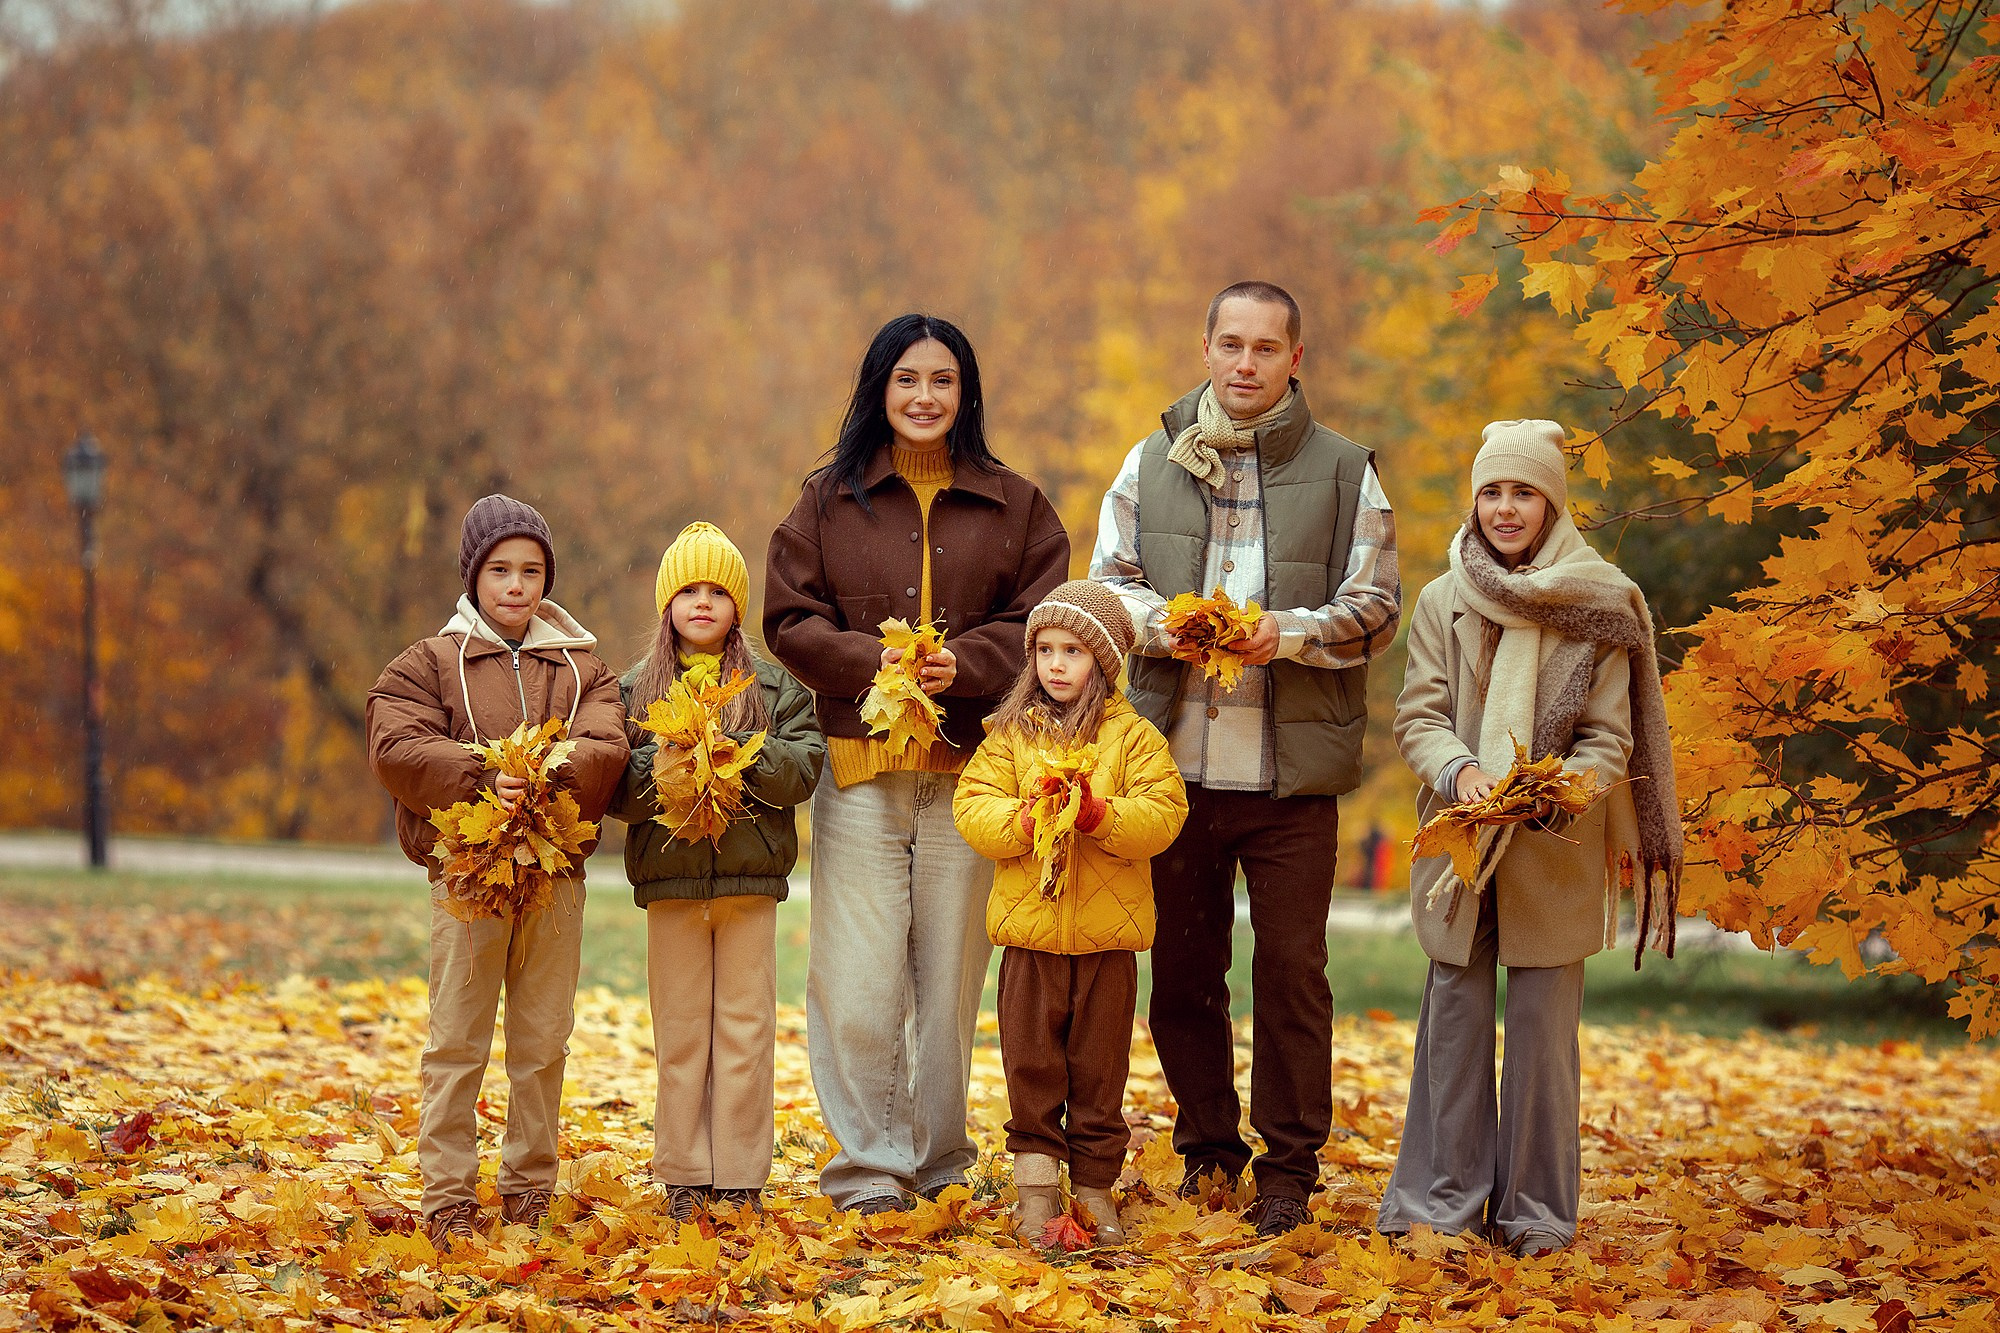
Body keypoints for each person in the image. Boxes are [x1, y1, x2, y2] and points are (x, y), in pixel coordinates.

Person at [1089, 280, 1401, 1236]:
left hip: (1290, 776)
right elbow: (1110, 586)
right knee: (1182, 976)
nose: (1245, 364)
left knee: (1292, 974)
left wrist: (1289, 635)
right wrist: (1163, 624)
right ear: (1208, 346)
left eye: (1267, 348)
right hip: (1173, 770)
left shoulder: (1350, 472)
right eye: (1231, 344)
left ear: (1295, 359)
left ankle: (1289, 1169)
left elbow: (1376, 605)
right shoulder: (1150, 460)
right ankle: (1210, 1153)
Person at [764, 313, 1071, 1213]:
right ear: (879, 389)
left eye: (942, 380)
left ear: (966, 392)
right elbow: (790, 618)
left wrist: (967, 664)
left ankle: (937, 1162)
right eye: (907, 379)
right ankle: (868, 1166)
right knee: (857, 980)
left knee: (948, 979)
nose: (925, 396)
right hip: (859, 771)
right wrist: (875, 664)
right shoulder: (827, 499)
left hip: (973, 773)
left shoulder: (1016, 504)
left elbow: (1044, 620)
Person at [1377, 420, 1681, 1255]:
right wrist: (1463, 773)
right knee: (1455, 1020)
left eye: (1523, 492)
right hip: (1464, 843)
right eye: (1491, 491)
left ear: (1552, 502)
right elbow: (1420, 715)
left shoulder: (1599, 602)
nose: (1505, 508)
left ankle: (1537, 1213)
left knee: (1544, 1036)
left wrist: (1555, 792)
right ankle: (1442, 1203)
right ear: (1475, 499)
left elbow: (1608, 741)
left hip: (1554, 844)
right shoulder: (1445, 599)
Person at [366, 494, 628, 1248]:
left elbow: (607, 745)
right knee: (458, 1037)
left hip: (555, 881)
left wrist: (550, 770)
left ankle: (528, 1185)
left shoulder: (583, 667)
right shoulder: (429, 661)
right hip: (467, 879)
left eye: (531, 570)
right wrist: (480, 771)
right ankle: (448, 1193)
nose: (516, 585)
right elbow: (398, 746)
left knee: (544, 1038)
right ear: (474, 575)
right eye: (501, 569)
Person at [953, 580, 1189, 1244]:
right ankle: (1035, 1190)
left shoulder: (1134, 738)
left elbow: (1165, 813)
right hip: (1029, 939)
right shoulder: (1008, 736)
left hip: (1106, 942)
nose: (1056, 664)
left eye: (1073, 652)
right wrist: (1024, 818)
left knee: (1098, 1070)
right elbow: (972, 806)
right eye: (1046, 650)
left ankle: (1092, 1189)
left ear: (1105, 663)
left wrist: (1099, 815)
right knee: (1032, 1067)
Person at [611, 522, 824, 1224]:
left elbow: (802, 767)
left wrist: (738, 754)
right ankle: (682, 1170)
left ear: (738, 605)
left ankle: (738, 1171)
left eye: (717, 591)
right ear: (667, 603)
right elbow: (615, 788)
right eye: (688, 590)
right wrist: (670, 763)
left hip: (748, 883)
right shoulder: (635, 691)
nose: (702, 602)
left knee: (744, 1027)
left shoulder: (772, 685)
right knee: (680, 1032)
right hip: (671, 884)